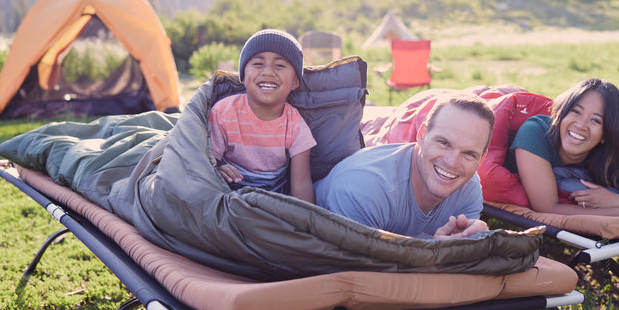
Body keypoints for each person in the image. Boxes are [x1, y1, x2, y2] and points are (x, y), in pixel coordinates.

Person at [315, 94, 494, 239]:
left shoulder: (467, 187)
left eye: (469, 154)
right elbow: (359, 273)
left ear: (482, 158)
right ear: (422, 135)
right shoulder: (364, 187)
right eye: (443, 143)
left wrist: (474, 241)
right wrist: (435, 252)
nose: (452, 162)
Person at [507, 78, 619, 217]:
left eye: (596, 120)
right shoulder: (535, 133)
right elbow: (547, 208)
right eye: (575, 111)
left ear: (606, 135)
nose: (581, 125)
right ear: (562, 113)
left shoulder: (611, 156)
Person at [208, 29, 316, 203]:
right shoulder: (224, 113)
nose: (267, 72)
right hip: (229, 198)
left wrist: (307, 224)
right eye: (258, 64)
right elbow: (204, 166)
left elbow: (301, 184)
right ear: (243, 76)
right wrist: (218, 171)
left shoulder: (295, 124)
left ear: (295, 81)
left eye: (280, 65)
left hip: (274, 201)